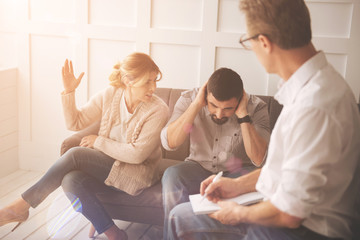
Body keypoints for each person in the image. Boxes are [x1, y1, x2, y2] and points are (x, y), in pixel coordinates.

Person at [167, 0, 360, 239]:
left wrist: (238, 213)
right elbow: (288, 171)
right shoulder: (315, 88)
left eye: (248, 41)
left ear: (264, 42)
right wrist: (237, 185)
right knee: (181, 209)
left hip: (306, 230)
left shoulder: (315, 105)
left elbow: (290, 213)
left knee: (179, 218)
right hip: (295, 217)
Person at [0, 52, 169, 240]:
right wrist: (69, 92)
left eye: (155, 81)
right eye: (148, 82)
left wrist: (98, 141)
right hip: (107, 169)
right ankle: (115, 234)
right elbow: (75, 123)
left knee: (76, 155)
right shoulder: (111, 94)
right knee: (71, 180)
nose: (153, 87)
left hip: (137, 175)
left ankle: (21, 206)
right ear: (128, 80)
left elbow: (136, 155)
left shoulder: (158, 109)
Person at [161, 67, 271, 237]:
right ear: (206, 96)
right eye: (213, 106)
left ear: (240, 100)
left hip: (239, 173)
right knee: (172, 175)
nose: (219, 114)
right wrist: (197, 105)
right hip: (197, 167)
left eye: (228, 108)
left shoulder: (256, 108)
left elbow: (259, 159)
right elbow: (170, 143)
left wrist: (243, 115)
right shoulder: (190, 99)